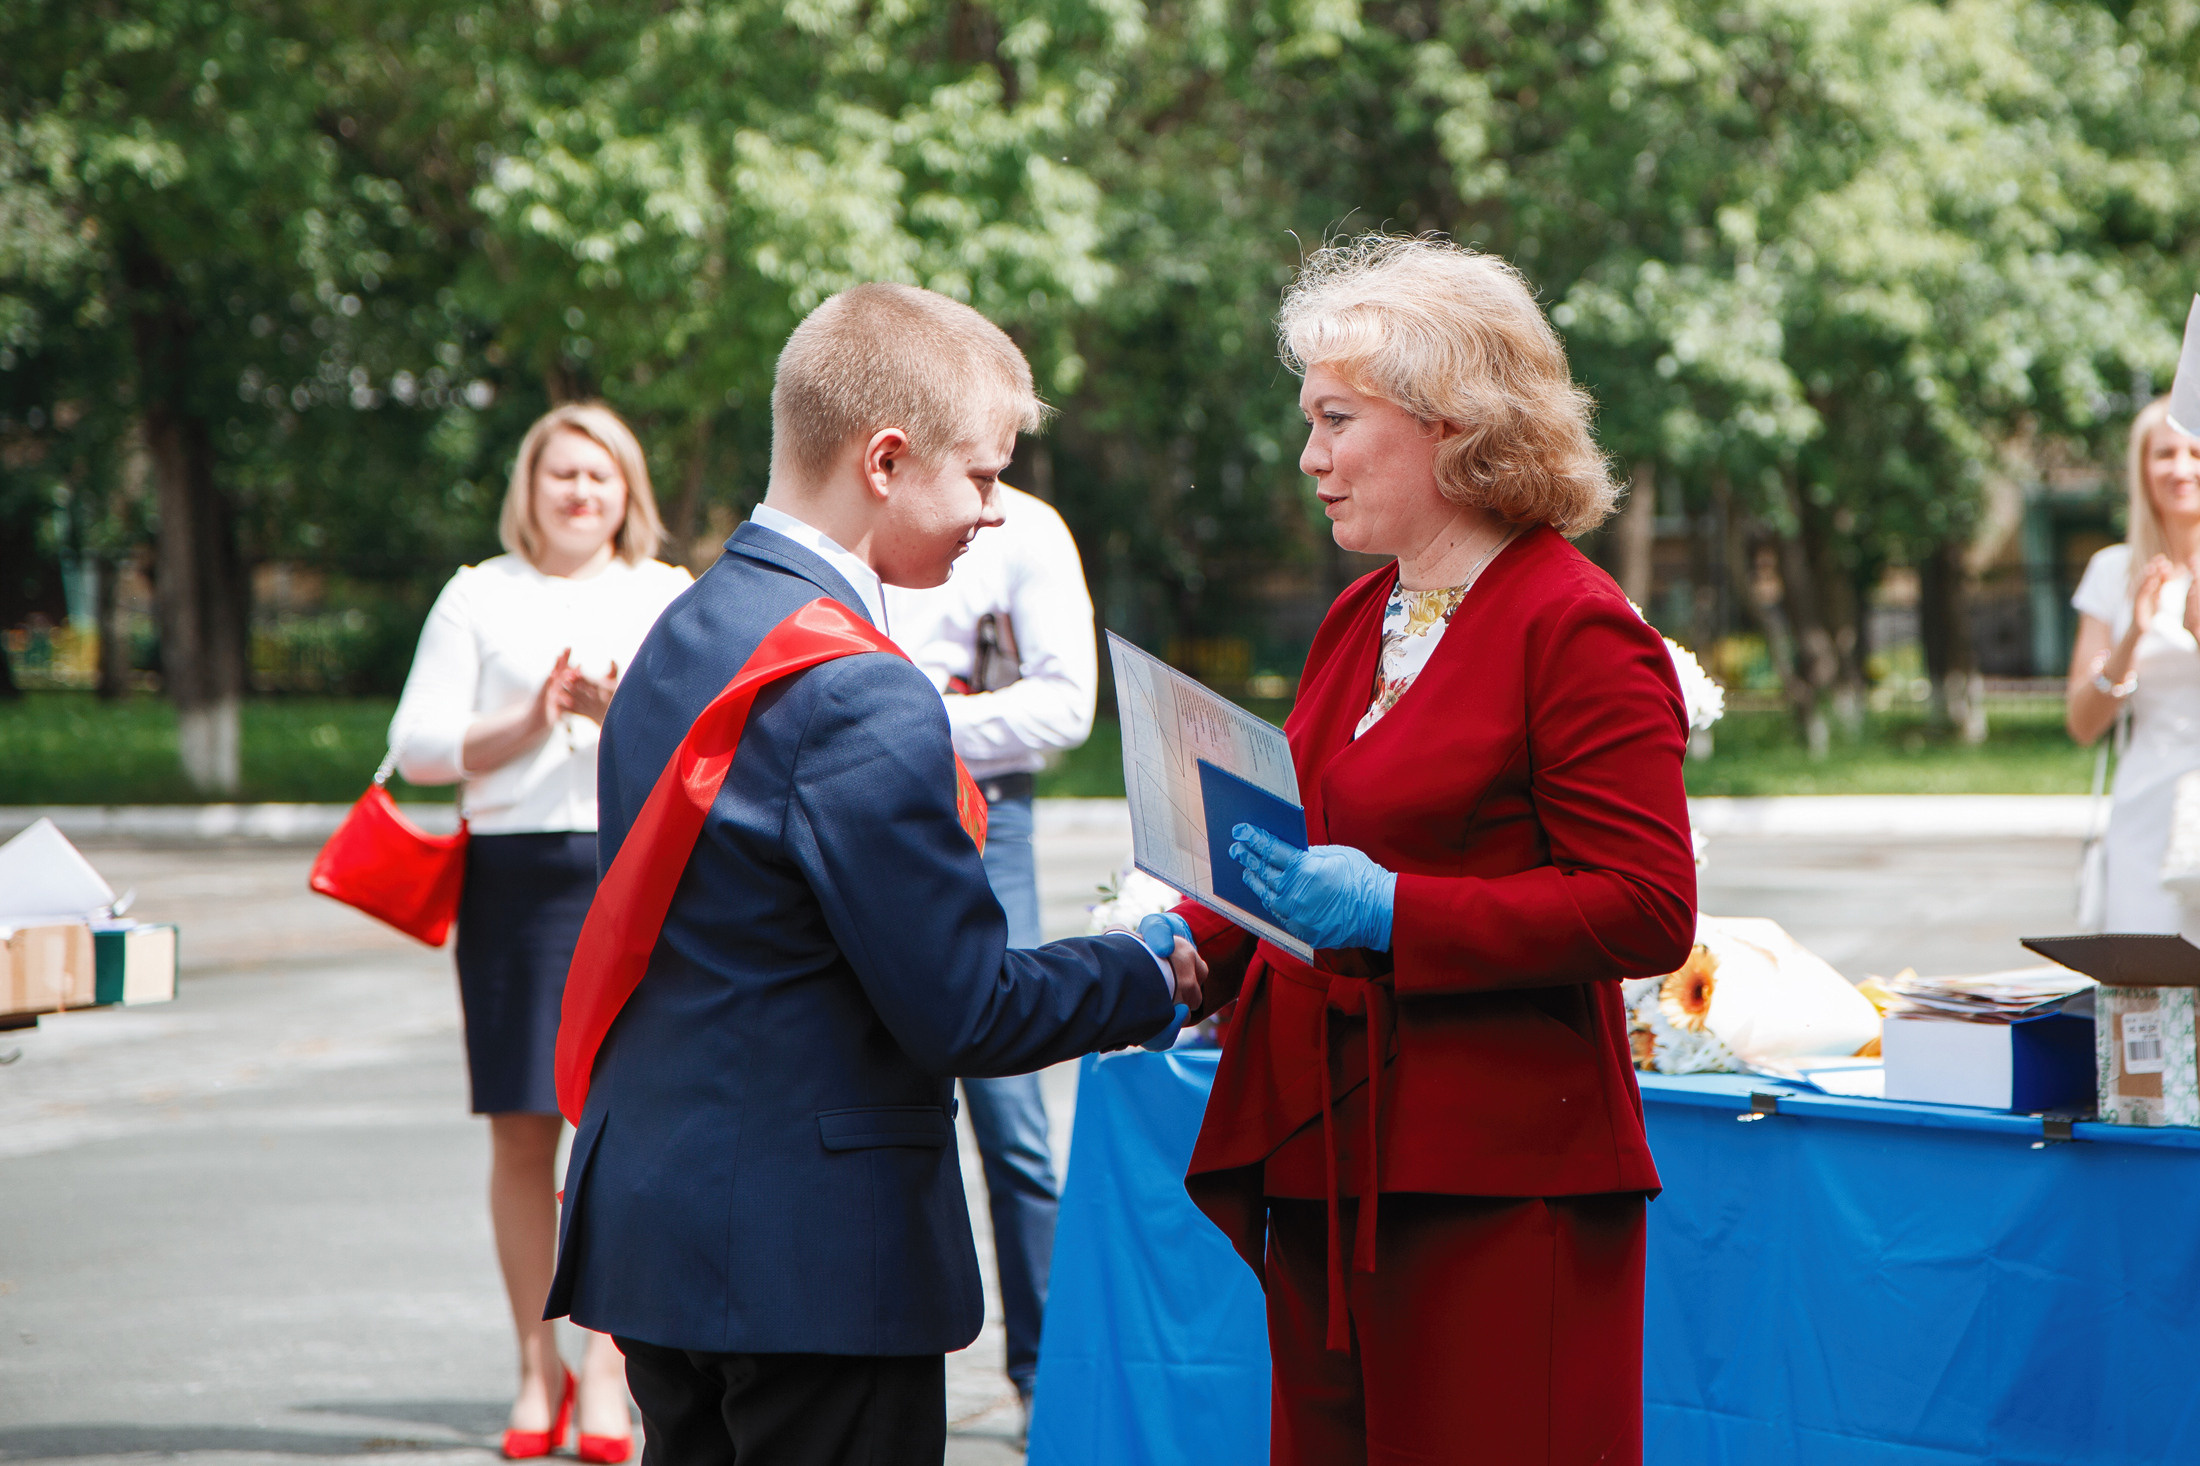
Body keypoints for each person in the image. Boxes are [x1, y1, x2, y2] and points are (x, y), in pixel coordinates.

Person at [543, 282, 1204, 1466]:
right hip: (807, 1254)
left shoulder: (690, 626)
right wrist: (1160, 971)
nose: (995, 512)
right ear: (887, 460)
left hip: (665, 1216)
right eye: (984, 476)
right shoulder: (861, 688)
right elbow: (962, 1002)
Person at [1171, 235, 1698, 1464]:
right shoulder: (1366, 609)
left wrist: (1400, 912)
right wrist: (1190, 941)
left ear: (1451, 425)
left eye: (1335, 418)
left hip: (1496, 1181)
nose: (1309, 456)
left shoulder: (1573, 625)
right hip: (1331, 1153)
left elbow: (1645, 905)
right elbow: (1298, 839)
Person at [390, 403, 692, 1463]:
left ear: (627, 491)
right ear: (532, 487)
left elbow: (709, 742)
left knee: (620, 1128)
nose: (580, 492)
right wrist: (529, 716)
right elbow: (417, 745)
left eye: (600, 475)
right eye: (562, 473)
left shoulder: (665, 595)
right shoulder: (480, 592)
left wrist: (621, 714)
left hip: (633, 876)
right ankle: (536, 1365)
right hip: (515, 881)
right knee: (523, 1127)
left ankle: (609, 1371)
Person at [882, 484, 1097, 1423]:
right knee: (858, 1096)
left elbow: (1065, 709)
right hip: (858, 801)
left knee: (1011, 1115)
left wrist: (903, 710)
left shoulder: (1028, 527)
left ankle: (1041, 1378)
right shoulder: (860, 503)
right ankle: (867, 1368)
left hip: (983, 816)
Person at [2066, 397, 2200, 936]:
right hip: (2146, 807)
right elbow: (2082, 724)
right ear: (2142, 467)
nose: (2181, 468)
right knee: (2144, 988)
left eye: (2195, 452)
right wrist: (2132, 639)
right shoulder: (2112, 571)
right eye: (2164, 454)